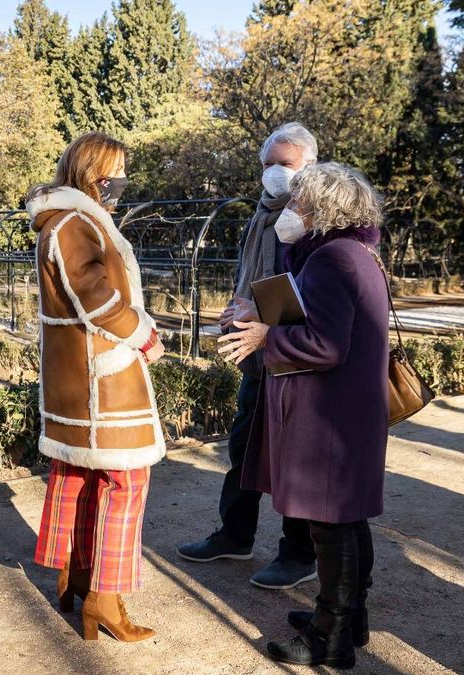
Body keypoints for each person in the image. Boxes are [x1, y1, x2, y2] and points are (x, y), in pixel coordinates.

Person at [218, 162, 390, 668]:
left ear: (325, 209)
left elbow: (326, 345)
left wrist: (267, 336)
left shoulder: (334, 259)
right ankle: (346, 620)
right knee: (347, 521)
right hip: (345, 414)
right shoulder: (349, 253)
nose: (290, 210)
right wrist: (259, 314)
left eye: (299, 202)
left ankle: (328, 640)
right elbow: (318, 322)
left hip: (329, 419)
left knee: (329, 526)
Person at [27, 131, 166, 642]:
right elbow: (94, 294)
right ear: (92, 172)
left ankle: (77, 577)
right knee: (126, 482)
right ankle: (104, 598)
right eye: (116, 171)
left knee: (83, 476)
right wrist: (144, 335)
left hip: (82, 372)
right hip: (98, 376)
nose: (120, 182)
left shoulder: (68, 220)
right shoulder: (74, 222)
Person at [176, 122, 319, 590]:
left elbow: (316, 293)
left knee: (295, 457)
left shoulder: (317, 216)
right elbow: (253, 280)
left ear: (309, 167)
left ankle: (300, 554)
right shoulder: (262, 213)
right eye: (267, 165)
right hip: (257, 354)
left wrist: (263, 316)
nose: (273, 174)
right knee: (244, 445)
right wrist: (238, 309)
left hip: (298, 357)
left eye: (285, 164)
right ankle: (235, 535)